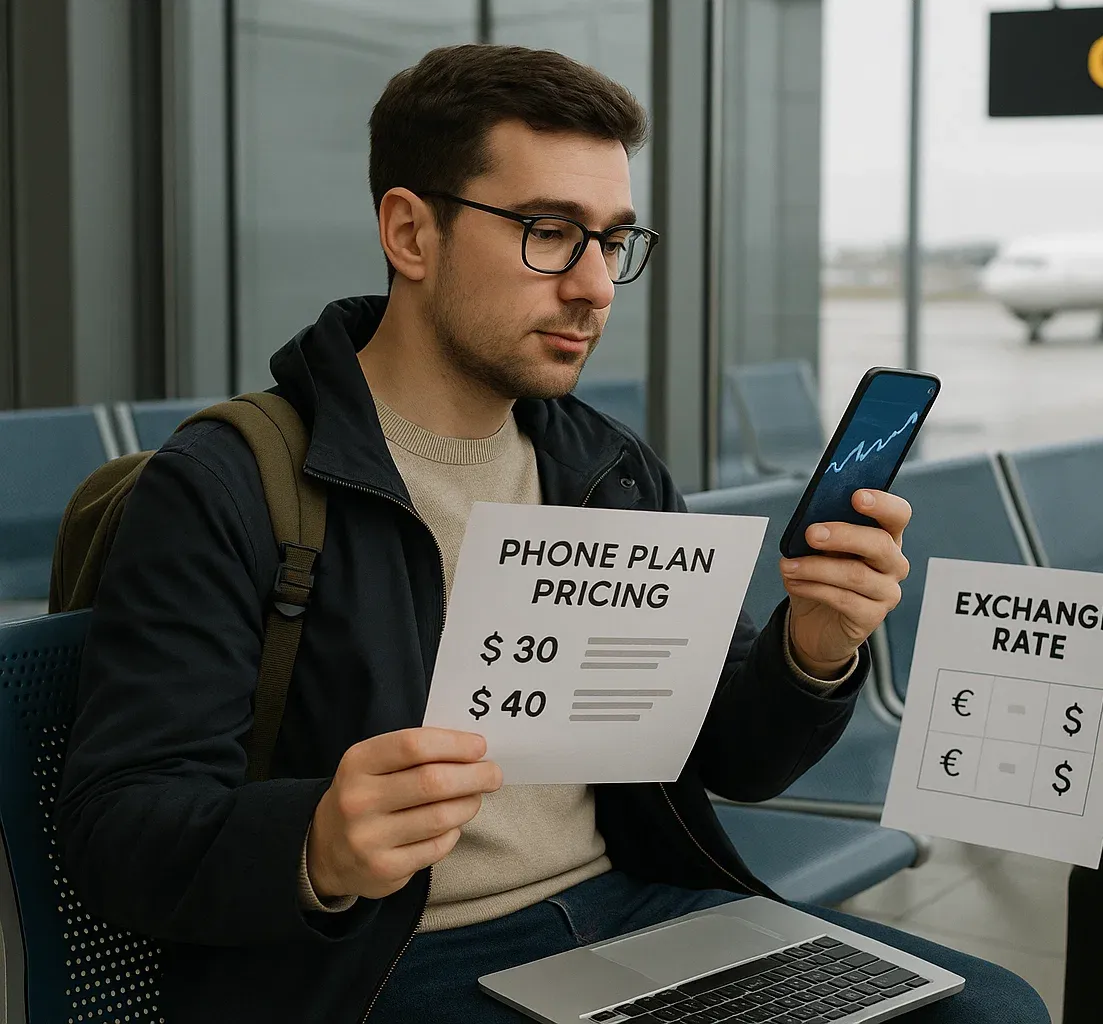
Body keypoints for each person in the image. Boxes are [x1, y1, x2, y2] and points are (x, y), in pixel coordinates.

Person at [55, 44, 1051, 1024]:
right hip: (387, 964)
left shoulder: (606, 469)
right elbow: (122, 833)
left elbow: (730, 756)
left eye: (613, 239)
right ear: (410, 232)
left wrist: (815, 648)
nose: (596, 286)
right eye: (548, 231)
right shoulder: (228, 484)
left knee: (998, 1006)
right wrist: (315, 842)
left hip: (640, 912)